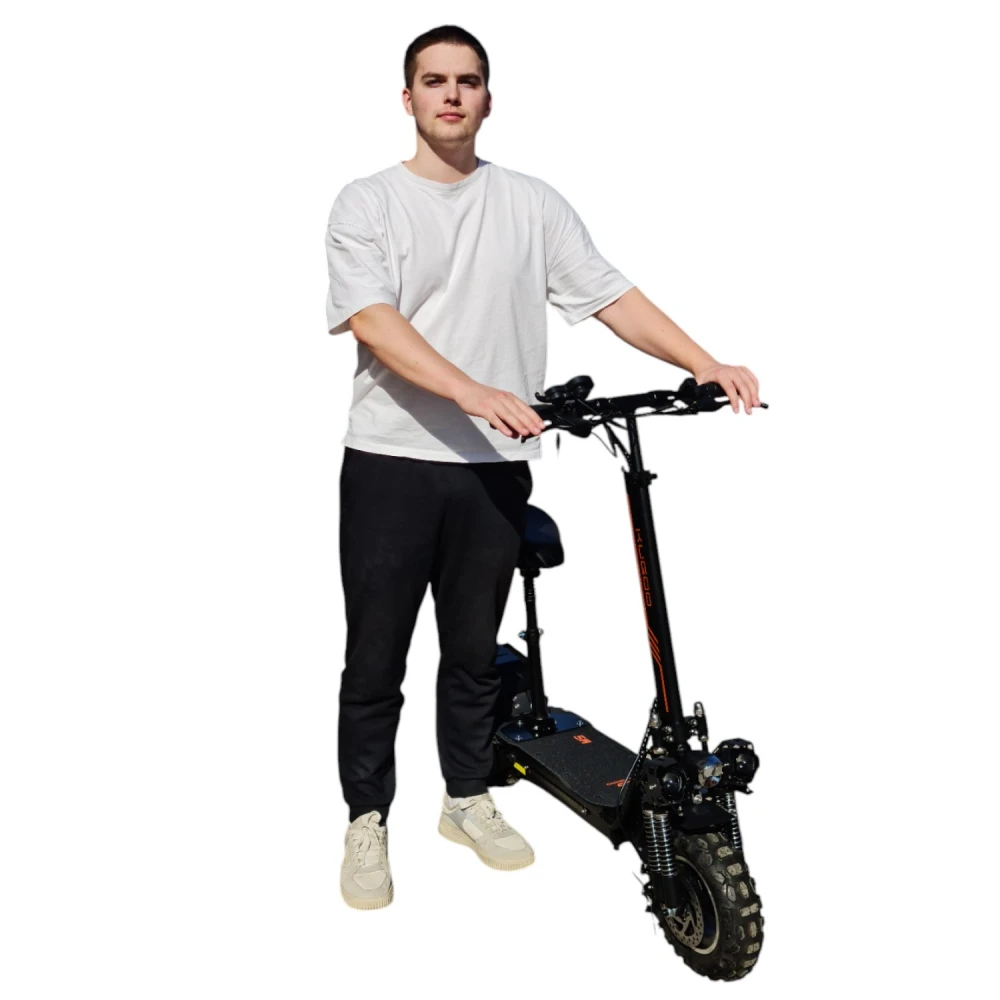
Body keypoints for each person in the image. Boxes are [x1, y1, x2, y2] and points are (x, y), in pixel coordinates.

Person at [325, 24, 763, 911]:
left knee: (473, 656)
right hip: (392, 462)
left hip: (495, 464)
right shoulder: (368, 203)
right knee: (375, 661)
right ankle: (367, 819)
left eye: (468, 81)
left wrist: (702, 361)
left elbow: (609, 294)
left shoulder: (529, 203)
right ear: (407, 99)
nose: (452, 95)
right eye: (434, 81)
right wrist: (472, 389)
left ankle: (466, 798)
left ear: (488, 98)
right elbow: (372, 319)